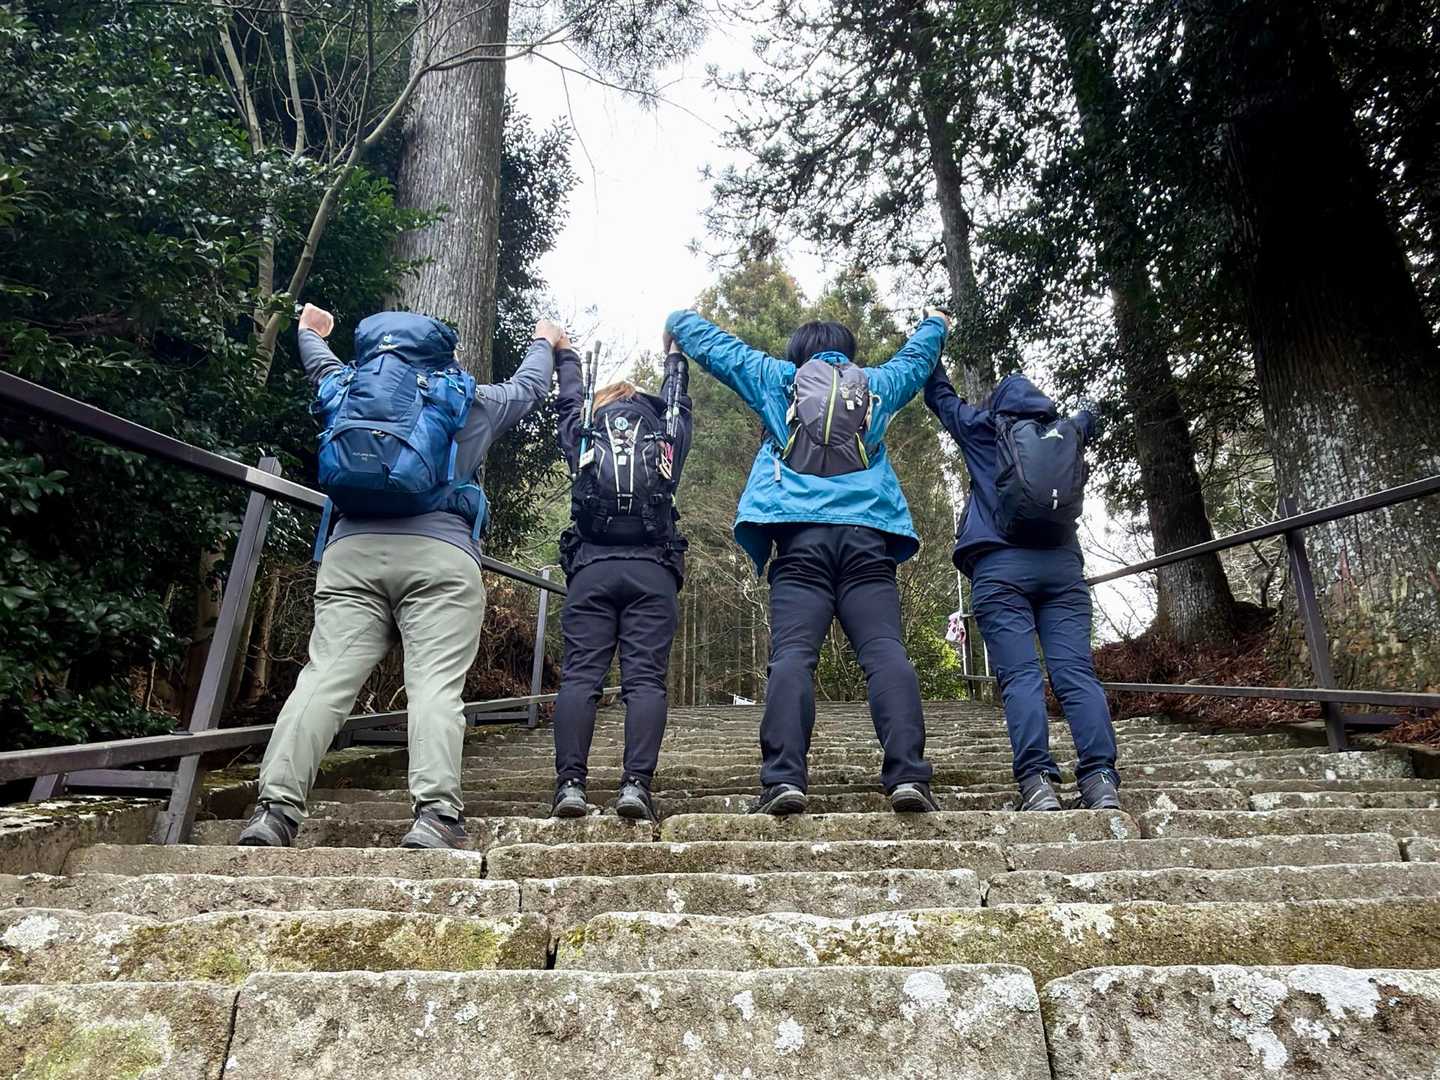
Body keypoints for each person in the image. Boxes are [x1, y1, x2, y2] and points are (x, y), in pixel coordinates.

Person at [238, 303, 560, 849]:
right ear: (441, 355)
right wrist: (544, 341)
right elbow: (528, 388)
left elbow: (319, 363)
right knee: (433, 684)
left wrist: (310, 331)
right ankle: (435, 816)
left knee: (323, 678)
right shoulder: (467, 399)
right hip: (440, 555)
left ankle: (274, 812)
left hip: (351, 554)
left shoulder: (346, 387)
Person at [663, 306, 951, 815]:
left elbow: (722, 351)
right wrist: (936, 322)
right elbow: (917, 358)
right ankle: (909, 776)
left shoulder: (777, 379)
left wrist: (678, 324)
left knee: (793, 657)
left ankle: (783, 780)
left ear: (799, 354)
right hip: (867, 541)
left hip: (799, 542)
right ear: (848, 353)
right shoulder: (877, 385)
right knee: (885, 653)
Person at [923, 362, 1120, 811]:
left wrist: (931, 346)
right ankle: (1101, 781)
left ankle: (1037, 783)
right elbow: (1093, 412)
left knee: (1020, 676)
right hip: (1062, 568)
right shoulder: (1069, 431)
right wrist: (1088, 408)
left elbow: (940, 396)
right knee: (1076, 673)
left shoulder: (981, 428)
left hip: (1000, 569)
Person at [549, 341, 693, 823]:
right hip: (653, 570)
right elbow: (679, 404)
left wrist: (567, 358)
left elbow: (567, 403)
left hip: (592, 569)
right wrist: (675, 360)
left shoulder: (587, 435)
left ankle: (570, 785)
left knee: (580, 678)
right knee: (645, 681)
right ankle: (635, 785)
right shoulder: (665, 435)